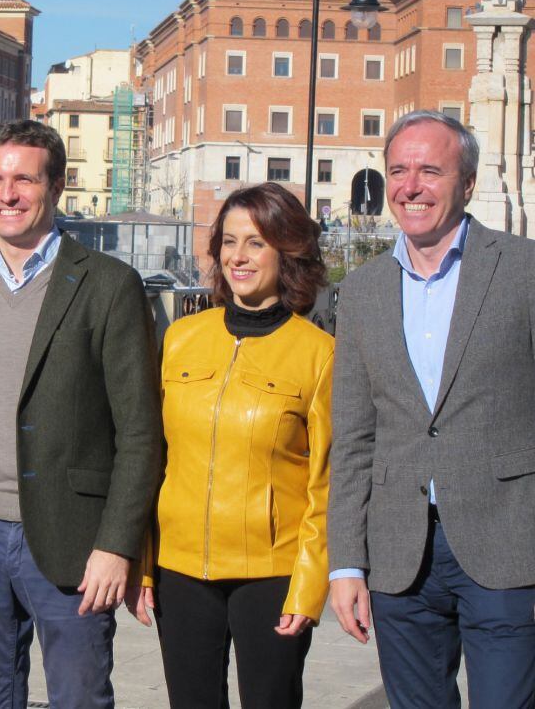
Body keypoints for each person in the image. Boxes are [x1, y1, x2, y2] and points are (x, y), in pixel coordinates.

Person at [0, 120, 163, 708]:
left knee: (79, 699)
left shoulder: (108, 285)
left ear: (55, 186)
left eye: (23, 179)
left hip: (75, 542)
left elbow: (139, 433)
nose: (7, 193)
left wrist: (117, 544)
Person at [328, 110, 535, 708]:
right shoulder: (363, 290)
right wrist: (346, 566)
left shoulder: (521, 269)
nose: (410, 186)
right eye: (398, 170)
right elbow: (355, 439)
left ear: (467, 183)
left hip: (507, 545)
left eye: (429, 171)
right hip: (400, 554)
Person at [127, 183, 333, 708]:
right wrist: (144, 563)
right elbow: (153, 457)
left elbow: (327, 483)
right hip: (181, 570)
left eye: (257, 243)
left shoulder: (320, 354)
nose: (238, 256)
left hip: (272, 573)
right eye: (229, 241)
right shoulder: (181, 339)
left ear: (287, 252)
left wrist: (309, 586)